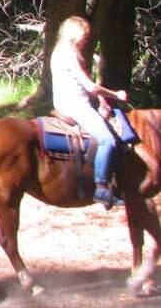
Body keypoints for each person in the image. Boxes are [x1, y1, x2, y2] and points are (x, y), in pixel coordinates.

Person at [50, 16, 129, 209]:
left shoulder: (66, 51)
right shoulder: (68, 53)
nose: (86, 39)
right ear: (75, 35)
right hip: (75, 105)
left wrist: (101, 99)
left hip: (77, 101)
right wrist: (116, 94)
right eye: (84, 35)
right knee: (107, 139)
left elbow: (83, 84)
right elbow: (89, 85)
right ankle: (101, 187)